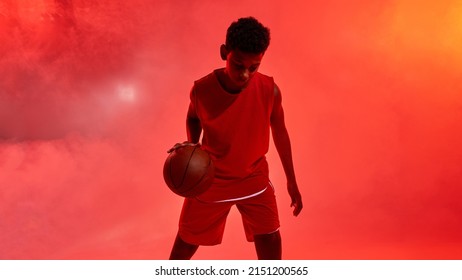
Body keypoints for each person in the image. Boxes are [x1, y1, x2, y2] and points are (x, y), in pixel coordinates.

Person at [168, 16, 302, 260]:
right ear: (224, 53)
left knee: (271, 237)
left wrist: (291, 181)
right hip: (211, 180)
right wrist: (193, 145)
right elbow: (193, 117)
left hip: (254, 179)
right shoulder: (202, 89)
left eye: (254, 67)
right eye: (238, 65)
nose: (245, 75)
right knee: (185, 243)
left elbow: (281, 133)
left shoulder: (269, 89)